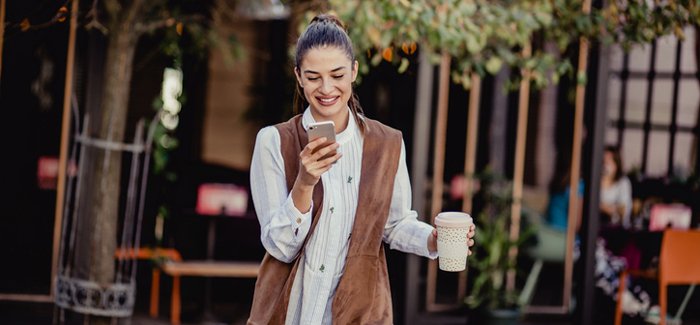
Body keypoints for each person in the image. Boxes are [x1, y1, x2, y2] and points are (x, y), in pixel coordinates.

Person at [247, 14, 475, 325]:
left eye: (337, 74)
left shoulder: (387, 143)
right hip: (290, 311)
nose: (326, 88)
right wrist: (304, 183)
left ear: (354, 71)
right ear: (298, 76)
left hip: (361, 310)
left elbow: (393, 225)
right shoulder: (274, 142)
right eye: (313, 77)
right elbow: (280, 247)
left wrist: (434, 241)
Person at [599, 145, 633, 228]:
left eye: (609, 161)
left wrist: (601, 207)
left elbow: (623, 210)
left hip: (615, 229)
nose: (605, 165)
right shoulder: (595, 181)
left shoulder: (623, 183)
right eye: (603, 161)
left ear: (616, 164)